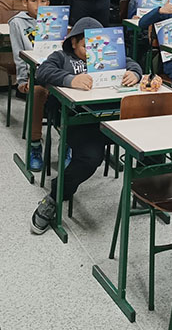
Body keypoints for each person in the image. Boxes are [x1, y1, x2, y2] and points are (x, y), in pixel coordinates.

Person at [30, 17, 142, 234]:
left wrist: (134, 74)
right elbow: (42, 72)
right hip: (77, 121)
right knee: (90, 158)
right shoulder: (62, 57)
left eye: (96, 46)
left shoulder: (111, 56)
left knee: (148, 138)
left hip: (111, 118)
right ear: (73, 42)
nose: (92, 52)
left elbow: (133, 64)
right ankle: (55, 195)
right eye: (85, 46)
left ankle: (149, 188)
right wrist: (70, 79)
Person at [8, 0, 53, 171]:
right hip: (33, 74)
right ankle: (35, 145)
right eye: (34, 1)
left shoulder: (55, 19)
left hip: (54, 72)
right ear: (25, 3)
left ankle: (68, 144)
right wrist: (22, 80)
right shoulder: (17, 23)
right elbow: (18, 53)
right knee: (37, 93)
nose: (39, 5)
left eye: (43, 1)